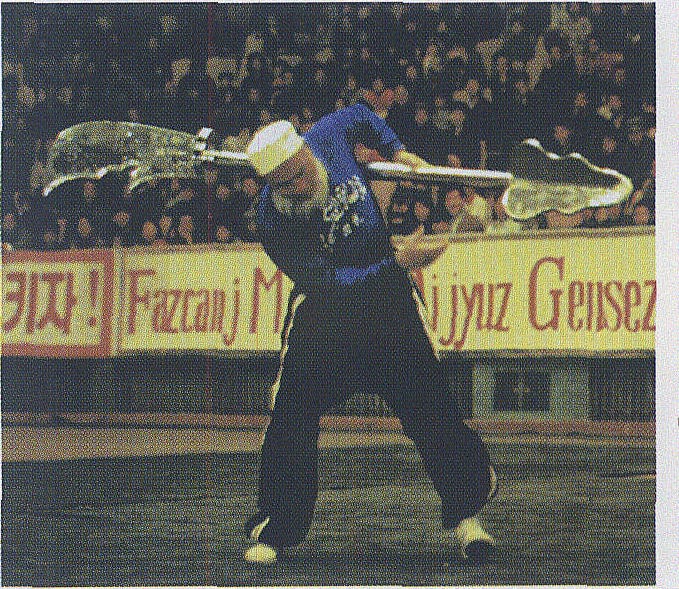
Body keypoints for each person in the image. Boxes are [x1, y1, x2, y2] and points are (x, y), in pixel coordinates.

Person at [243, 103, 497, 566]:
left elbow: (362, 114)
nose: (300, 186)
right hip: (326, 314)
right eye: (286, 184)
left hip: (389, 307)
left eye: (301, 172)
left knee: (431, 405)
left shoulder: (327, 134)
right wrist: (396, 264)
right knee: (290, 414)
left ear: (305, 151)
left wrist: (396, 150)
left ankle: (467, 514)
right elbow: (329, 284)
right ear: (271, 185)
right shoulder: (271, 222)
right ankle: (276, 525)